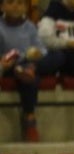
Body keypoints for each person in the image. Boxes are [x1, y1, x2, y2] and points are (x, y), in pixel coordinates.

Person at [0, 0, 50, 141]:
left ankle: (25, 71)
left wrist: (36, 54)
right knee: (28, 73)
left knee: (54, 59)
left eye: (20, 3)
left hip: (28, 64)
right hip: (8, 66)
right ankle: (30, 118)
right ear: (2, 6)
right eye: (10, 2)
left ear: (26, 8)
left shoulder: (30, 27)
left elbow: (42, 50)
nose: (15, 6)